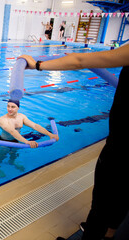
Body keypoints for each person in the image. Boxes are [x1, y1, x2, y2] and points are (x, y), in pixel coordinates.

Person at [19, 43, 129, 240]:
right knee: (122, 192)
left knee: (104, 197)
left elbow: (80, 61)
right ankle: (111, 231)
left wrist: (37, 65)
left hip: (123, 145)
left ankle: (96, 233)